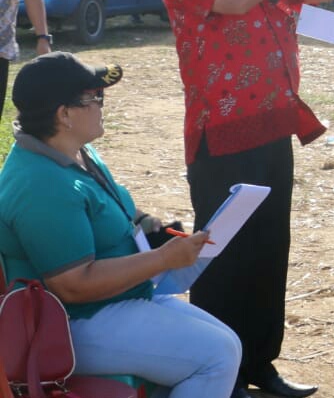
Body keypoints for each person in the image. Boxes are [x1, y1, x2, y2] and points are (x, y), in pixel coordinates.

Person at [159, 0, 334, 398]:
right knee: (224, 257)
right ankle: (221, 368)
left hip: (273, 127)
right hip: (223, 133)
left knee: (268, 249)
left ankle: (261, 362)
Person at [0, 52, 242, 397]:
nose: (102, 105)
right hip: (74, 322)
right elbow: (74, 285)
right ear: (64, 114)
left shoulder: (74, 151)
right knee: (215, 356)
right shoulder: (41, 185)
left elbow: (108, 211)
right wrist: (163, 259)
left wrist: (151, 227)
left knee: (228, 344)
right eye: (94, 98)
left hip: (113, 301)